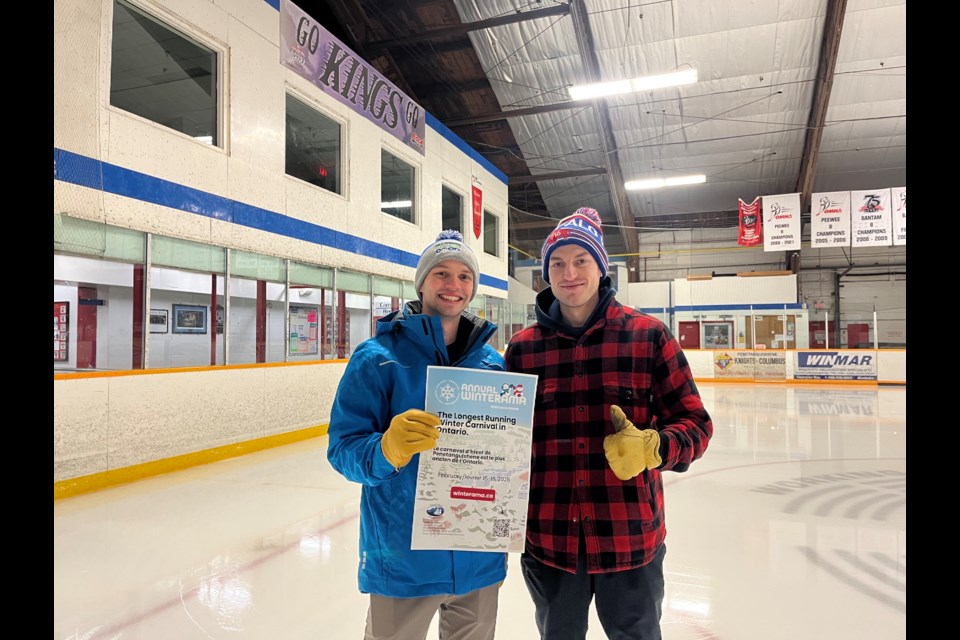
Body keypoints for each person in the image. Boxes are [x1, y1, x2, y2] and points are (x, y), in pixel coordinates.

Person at [503, 208, 714, 640]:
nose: (570, 273)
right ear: (545, 274)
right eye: (557, 263)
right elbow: (504, 440)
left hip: (630, 540)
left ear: (602, 267)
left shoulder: (649, 336)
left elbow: (695, 423)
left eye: (581, 260)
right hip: (551, 541)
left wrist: (656, 446)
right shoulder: (523, 351)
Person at [327, 230, 507, 640]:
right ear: (422, 282)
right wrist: (385, 449)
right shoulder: (377, 358)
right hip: (403, 559)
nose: (453, 285)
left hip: (478, 555)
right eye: (441, 273)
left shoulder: (492, 364)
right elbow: (343, 449)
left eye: (464, 276)